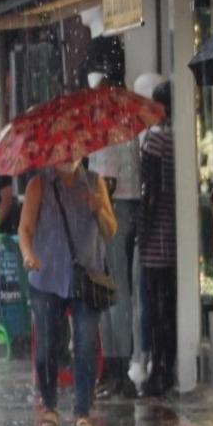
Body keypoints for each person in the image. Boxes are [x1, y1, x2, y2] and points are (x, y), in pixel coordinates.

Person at [18, 157, 117, 426]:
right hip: (46, 277)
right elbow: (25, 229)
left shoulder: (95, 183)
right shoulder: (39, 185)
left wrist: (99, 209)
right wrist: (28, 254)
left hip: (86, 279)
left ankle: (82, 411)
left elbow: (111, 230)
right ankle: (49, 407)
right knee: (48, 345)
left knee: (85, 344)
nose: (67, 155)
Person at [88, 81, 140, 400]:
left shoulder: (110, 130)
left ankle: (118, 368)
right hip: (123, 207)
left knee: (114, 290)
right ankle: (114, 366)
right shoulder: (123, 125)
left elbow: (106, 181)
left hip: (114, 210)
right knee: (112, 290)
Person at [139, 81, 177, 398]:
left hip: (156, 241)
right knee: (168, 307)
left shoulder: (155, 139)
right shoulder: (178, 138)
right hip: (174, 238)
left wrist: (142, 231)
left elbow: (150, 189)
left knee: (154, 307)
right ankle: (167, 365)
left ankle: (159, 370)